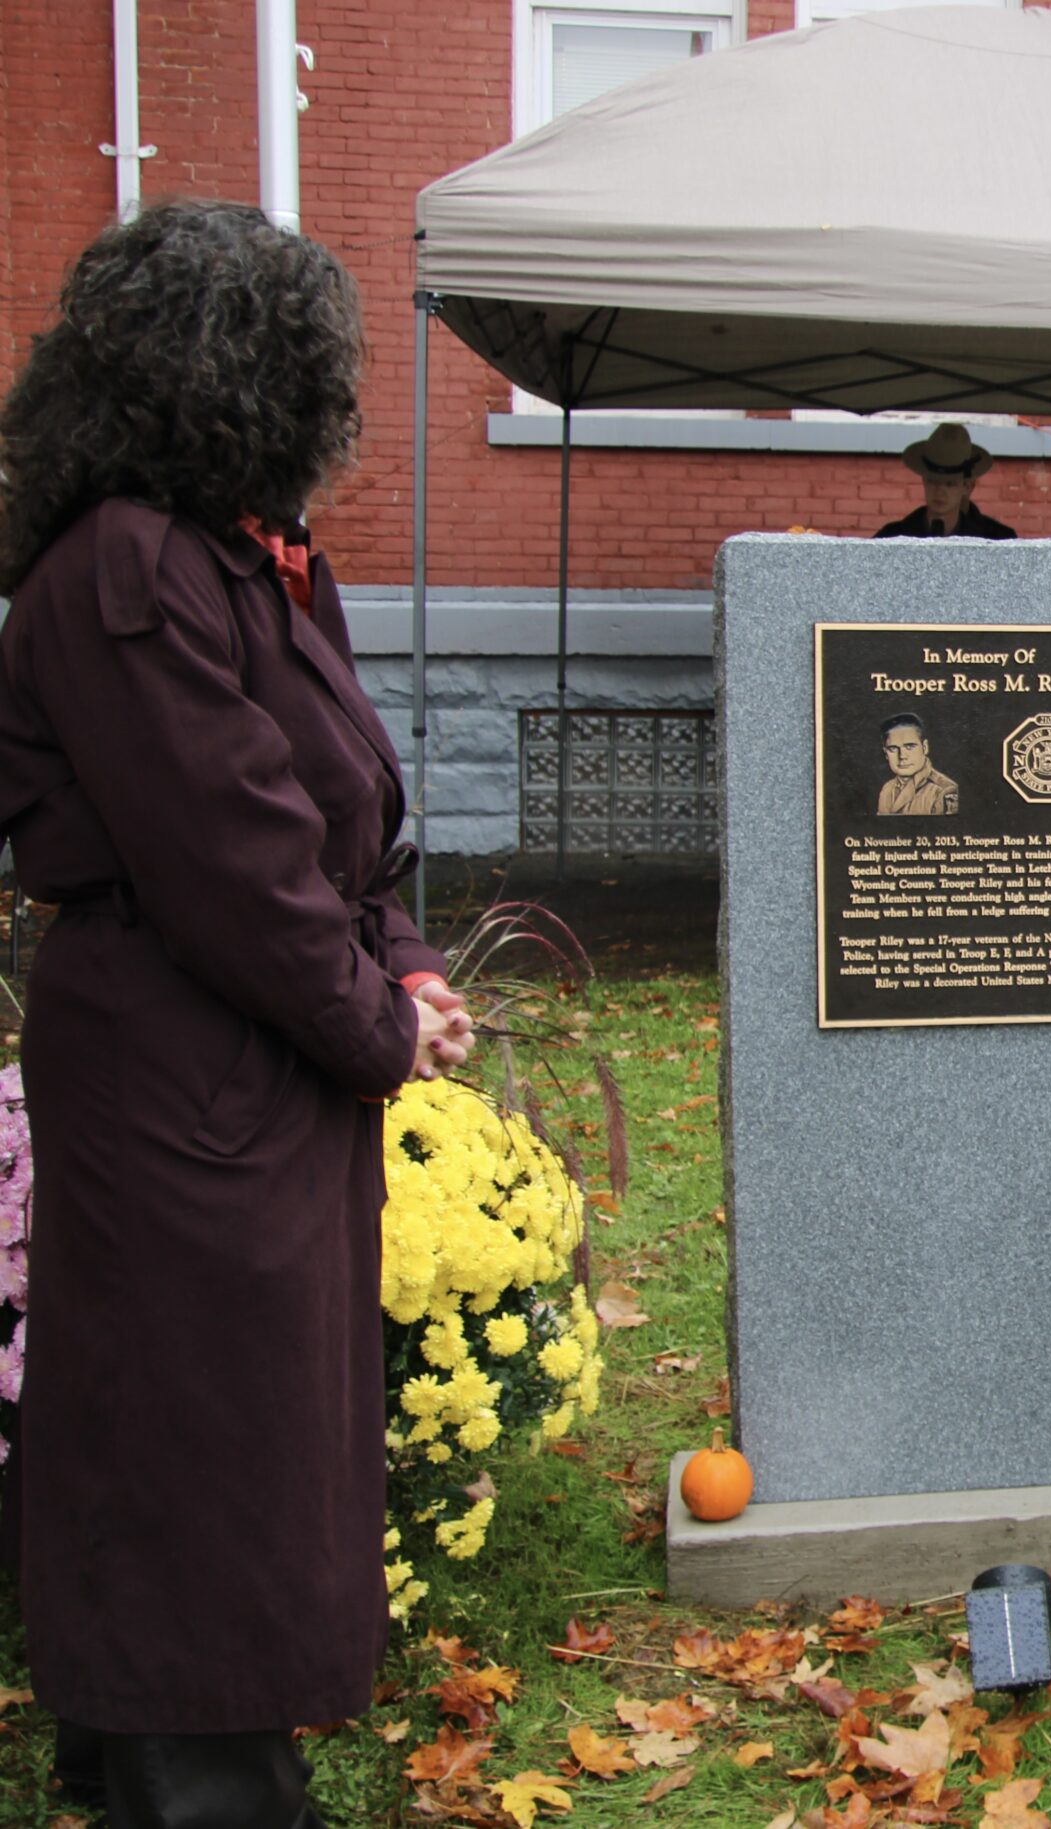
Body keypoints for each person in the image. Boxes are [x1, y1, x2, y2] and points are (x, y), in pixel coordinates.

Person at [0, 201, 475, 1821]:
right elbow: (225, 847)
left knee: (245, 1419)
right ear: (224, 373)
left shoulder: (244, 555)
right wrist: (371, 1021)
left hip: (251, 1054)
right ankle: (197, 1777)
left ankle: (163, 1744)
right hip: (176, 1060)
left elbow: (336, 809)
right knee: (193, 1425)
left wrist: (401, 964)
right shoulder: (126, 562)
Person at [876, 423, 1017, 540]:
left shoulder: (995, 540)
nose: (939, 491)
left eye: (950, 483)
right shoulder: (892, 537)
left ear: (967, 487)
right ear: (924, 480)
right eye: (933, 481)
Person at [878, 714, 959, 815]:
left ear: (924, 747)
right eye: (893, 749)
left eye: (910, 746)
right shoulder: (886, 789)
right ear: (886, 753)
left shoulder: (944, 791)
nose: (902, 756)